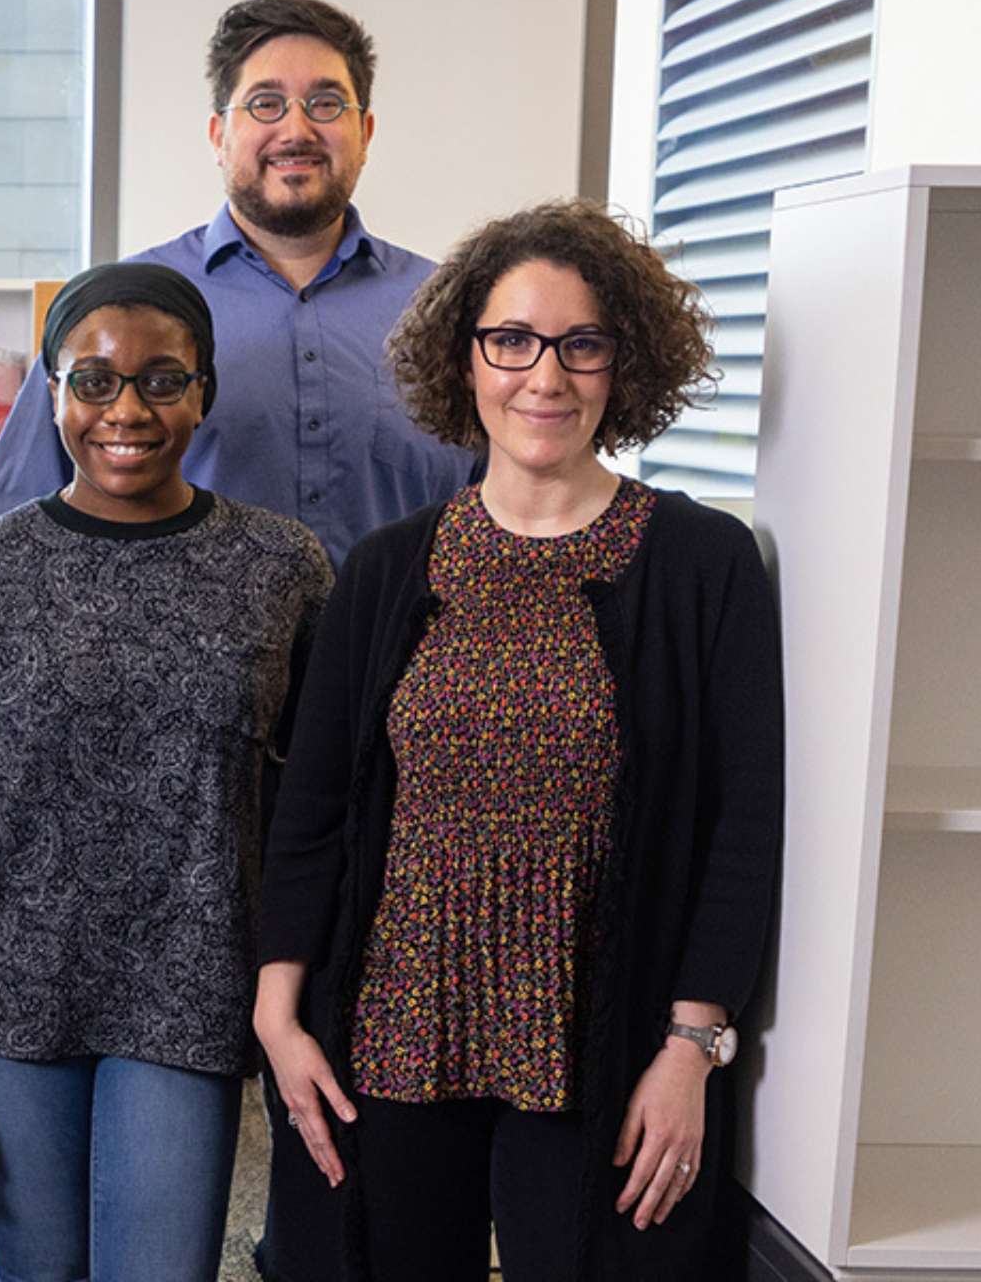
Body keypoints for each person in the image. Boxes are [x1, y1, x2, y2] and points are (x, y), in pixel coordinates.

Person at [251, 198, 784, 1282]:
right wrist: (277, 1015)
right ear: (465, 359)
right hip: (394, 1027)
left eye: (580, 344)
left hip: (603, 1035)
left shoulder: (702, 564)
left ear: (623, 364)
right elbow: (308, 810)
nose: (544, 376)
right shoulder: (387, 569)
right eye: (511, 341)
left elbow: (743, 824)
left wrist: (693, 1048)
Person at [0, 263, 331, 1280]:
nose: (125, 409)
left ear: (202, 393)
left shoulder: (281, 566)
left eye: (161, 380)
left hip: (191, 986)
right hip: (14, 996)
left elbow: (320, 812)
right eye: (93, 381)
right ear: (51, 393)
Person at [0, 0, 470, 568]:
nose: (297, 128)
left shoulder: (447, 312)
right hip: (177, 654)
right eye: (265, 103)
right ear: (217, 135)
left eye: (326, 103)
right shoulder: (119, 313)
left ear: (366, 132)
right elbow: (2, 545)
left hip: (402, 654)